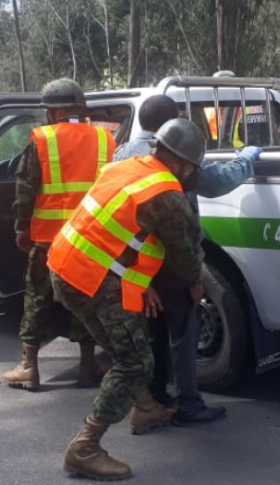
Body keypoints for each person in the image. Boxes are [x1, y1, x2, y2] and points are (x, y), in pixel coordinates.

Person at [47, 118, 206, 480]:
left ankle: (146, 407)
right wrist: (194, 283)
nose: (193, 174)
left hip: (65, 267)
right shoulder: (167, 193)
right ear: (183, 163)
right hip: (94, 280)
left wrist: (141, 281)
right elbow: (184, 253)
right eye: (194, 167)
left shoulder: (127, 166)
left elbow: (114, 229)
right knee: (135, 362)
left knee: (122, 348)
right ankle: (85, 447)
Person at [115, 94, 262, 430]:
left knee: (151, 331)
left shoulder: (121, 153)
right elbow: (216, 182)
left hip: (138, 262)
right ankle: (189, 405)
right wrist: (246, 160)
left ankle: (155, 401)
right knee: (182, 332)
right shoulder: (177, 155)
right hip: (173, 258)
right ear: (174, 123)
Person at [2, 78, 116, 391]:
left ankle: (29, 367)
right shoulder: (106, 139)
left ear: (53, 112)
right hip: (89, 240)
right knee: (84, 299)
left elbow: (25, 190)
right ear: (80, 108)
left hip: (48, 239)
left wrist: (21, 228)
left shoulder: (42, 139)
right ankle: (88, 364)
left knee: (36, 298)